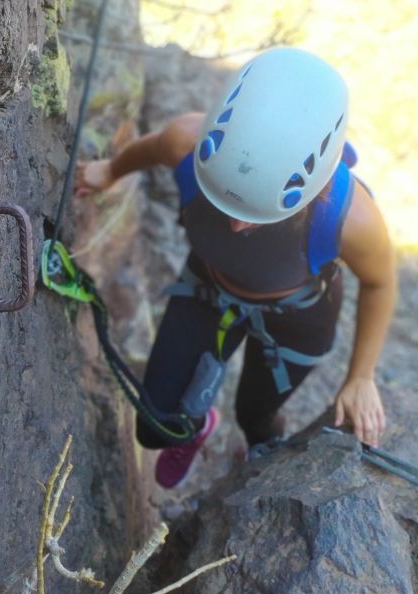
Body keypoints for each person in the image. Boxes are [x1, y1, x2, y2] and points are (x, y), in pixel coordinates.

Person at [75, 47, 396, 489]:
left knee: (257, 418)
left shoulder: (349, 216)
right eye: (225, 197)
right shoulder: (188, 142)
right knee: (155, 427)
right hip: (208, 286)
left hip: (297, 320)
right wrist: (110, 170)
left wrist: (361, 376)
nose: (237, 223)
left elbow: (380, 283)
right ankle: (200, 423)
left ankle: (254, 462)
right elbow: (151, 149)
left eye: (261, 211)